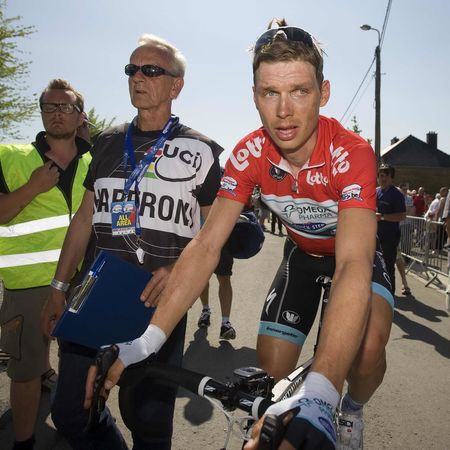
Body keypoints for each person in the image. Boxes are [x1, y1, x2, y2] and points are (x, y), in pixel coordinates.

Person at [90, 19, 395, 450]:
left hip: (352, 255)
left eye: (299, 91)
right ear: (254, 95)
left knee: (367, 350)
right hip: (302, 258)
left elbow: (351, 263)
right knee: (270, 375)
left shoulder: (351, 152)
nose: (284, 111)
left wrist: (323, 393)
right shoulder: (249, 153)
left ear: (323, 93)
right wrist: (145, 342)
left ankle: (351, 411)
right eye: (270, 93)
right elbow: (206, 244)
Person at [42, 34, 222, 450]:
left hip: (157, 303)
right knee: (70, 412)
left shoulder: (202, 150)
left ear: (176, 85)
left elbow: (214, 232)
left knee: (149, 424)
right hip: (94, 295)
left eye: (151, 70)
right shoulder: (106, 141)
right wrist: (58, 287)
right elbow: (84, 219)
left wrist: (178, 270)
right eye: (132, 69)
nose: (137, 77)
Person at [0, 79, 91, 450]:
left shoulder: (96, 161)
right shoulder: (11, 156)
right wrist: (32, 188)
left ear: (80, 116)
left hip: (83, 283)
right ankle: (23, 442)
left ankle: (75, 423)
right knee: (24, 371)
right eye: (49, 107)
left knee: (80, 362)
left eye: (66, 107)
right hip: (28, 285)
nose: (57, 113)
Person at [376, 165, 406, 295]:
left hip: (389, 237)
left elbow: (402, 216)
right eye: (380, 176)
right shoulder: (376, 192)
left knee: (388, 266)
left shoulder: (396, 194)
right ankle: (378, 294)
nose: (382, 179)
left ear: (391, 178)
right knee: (375, 265)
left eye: (385, 176)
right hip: (375, 236)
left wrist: (382, 217)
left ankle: (389, 296)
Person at [197, 241, 236, 340]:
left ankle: (225, 324)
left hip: (223, 240)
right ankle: (205, 311)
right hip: (202, 240)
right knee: (202, 277)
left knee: (224, 278)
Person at [396, 183, 414, 296]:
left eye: (406, 189)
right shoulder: (378, 192)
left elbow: (408, 210)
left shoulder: (407, 198)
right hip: (384, 229)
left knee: (398, 256)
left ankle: (404, 282)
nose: (405, 191)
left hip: (399, 226)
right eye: (404, 189)